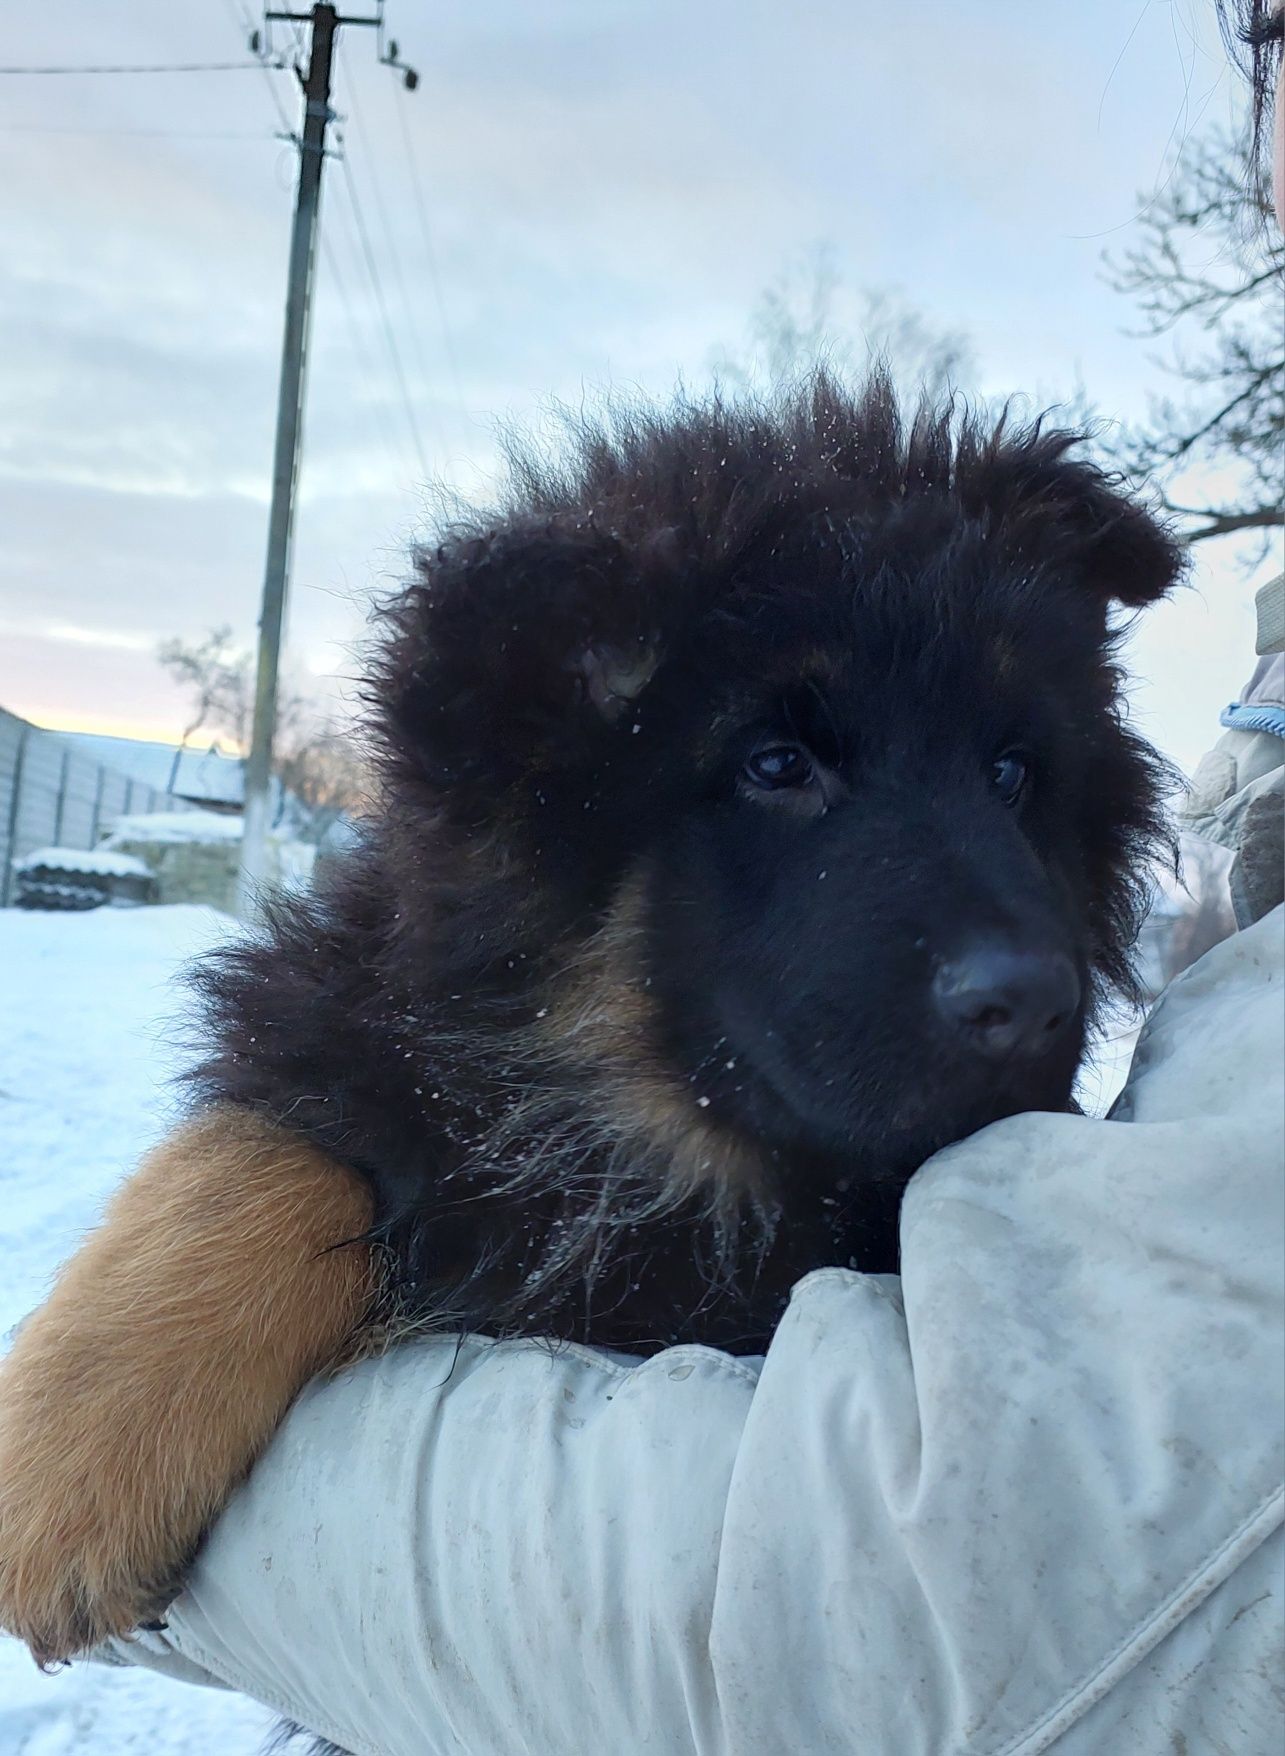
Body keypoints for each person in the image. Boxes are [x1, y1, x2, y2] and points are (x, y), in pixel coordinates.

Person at [86, 7, 1284, 1750]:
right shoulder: (371, 1084)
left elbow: (974, 1588)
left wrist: (231, 1530)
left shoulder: (981, 1230)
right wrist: (257, 1221)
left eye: (1012, 776)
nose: (1007, 952)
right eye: (782, 769)